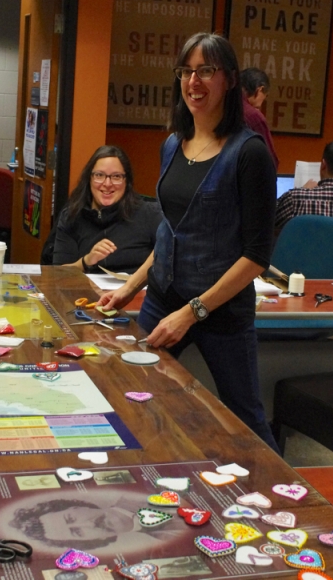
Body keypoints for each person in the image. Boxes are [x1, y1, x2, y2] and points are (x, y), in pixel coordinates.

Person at [99, 32, 279, 452]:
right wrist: (131, 286)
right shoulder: (172, 145)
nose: (194, 82)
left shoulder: (250, 154)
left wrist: (192, 312)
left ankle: (288, 503)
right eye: (187, 71)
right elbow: (170, 231)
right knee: (134, 390)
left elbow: (256, 256)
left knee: (245, 416)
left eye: (206, 71)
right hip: (165, 295)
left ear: (230, 80)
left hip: (220, 309)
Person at [52, 145, 162, 274]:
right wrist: (86, 261)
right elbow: (58, 274)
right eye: (99, 175)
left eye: (116, 177)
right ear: (89, 178)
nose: (107, 184)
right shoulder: (72, 216)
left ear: (127, 181)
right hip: (85, 293)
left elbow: (168, 260)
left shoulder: (149, 214)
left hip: (136, 291)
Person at [7, 495, 182, 551]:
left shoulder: (137, 495)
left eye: (71, 519)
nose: (89, 526)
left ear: (76, 507)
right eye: (77, 533)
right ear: (87, 542)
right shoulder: (164, 543)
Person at [240, 67, 278, 169]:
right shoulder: (253, 116)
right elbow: (270, 161)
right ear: (259, 90)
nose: (261, 105)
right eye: (265, 96)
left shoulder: (220, 107)